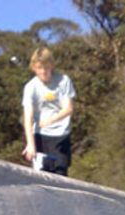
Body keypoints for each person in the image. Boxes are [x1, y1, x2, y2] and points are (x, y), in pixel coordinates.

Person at [21, 47, 76, 176]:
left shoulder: (63, 81)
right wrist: (30, 144)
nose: (43, 72)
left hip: (61, 136)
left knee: (60, 175)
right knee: (41, 177)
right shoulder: (30, 87)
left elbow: (68, 108)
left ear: (52, 65)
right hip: (41, 136)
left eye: (46, 68)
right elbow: (27, 118)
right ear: (34, 68)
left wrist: (51, 120)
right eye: (39, 68)